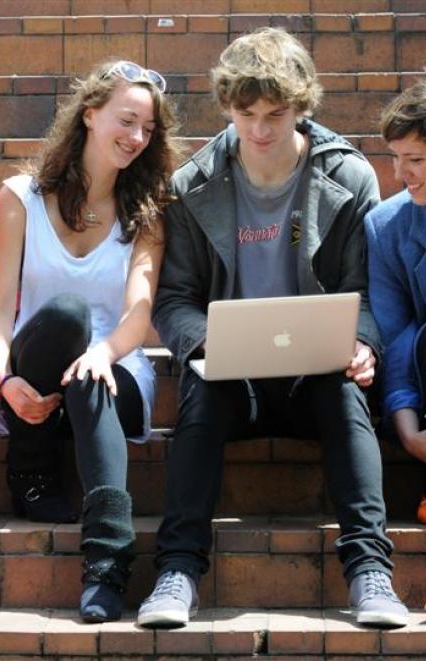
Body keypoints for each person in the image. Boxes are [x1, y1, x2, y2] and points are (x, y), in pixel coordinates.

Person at [137, 28, 409, 629]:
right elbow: (175, 299)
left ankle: (371, 572)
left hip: (316, 373)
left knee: (343, 394)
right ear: (228, 108)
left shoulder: (349, 176)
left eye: (277, 114)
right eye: (246, 114)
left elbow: (364, 290)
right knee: (200, 394)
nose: (260, 130)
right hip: (233, 377)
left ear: (303, 105)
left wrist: (363, 342)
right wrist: (203, 343)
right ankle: (177, 571)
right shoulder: (192, 185)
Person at [0, 60, 179, 622]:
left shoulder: (147, 212)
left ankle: (107, 563)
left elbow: (139, 317)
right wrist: (6, 378)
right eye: (126, 120)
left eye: (147, 129)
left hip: (115, 370)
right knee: (65, 318)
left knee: (91, 370)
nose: (136, 137)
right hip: (28, 372)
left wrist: (104, 352)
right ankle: (31, 465)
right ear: (89, 115)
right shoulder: (21, 197)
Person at [365, 81, 426, 525]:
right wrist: (406, 426)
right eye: (396, 158)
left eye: (417, 160)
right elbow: (396, 334)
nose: (401, 175)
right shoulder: (385, 225)